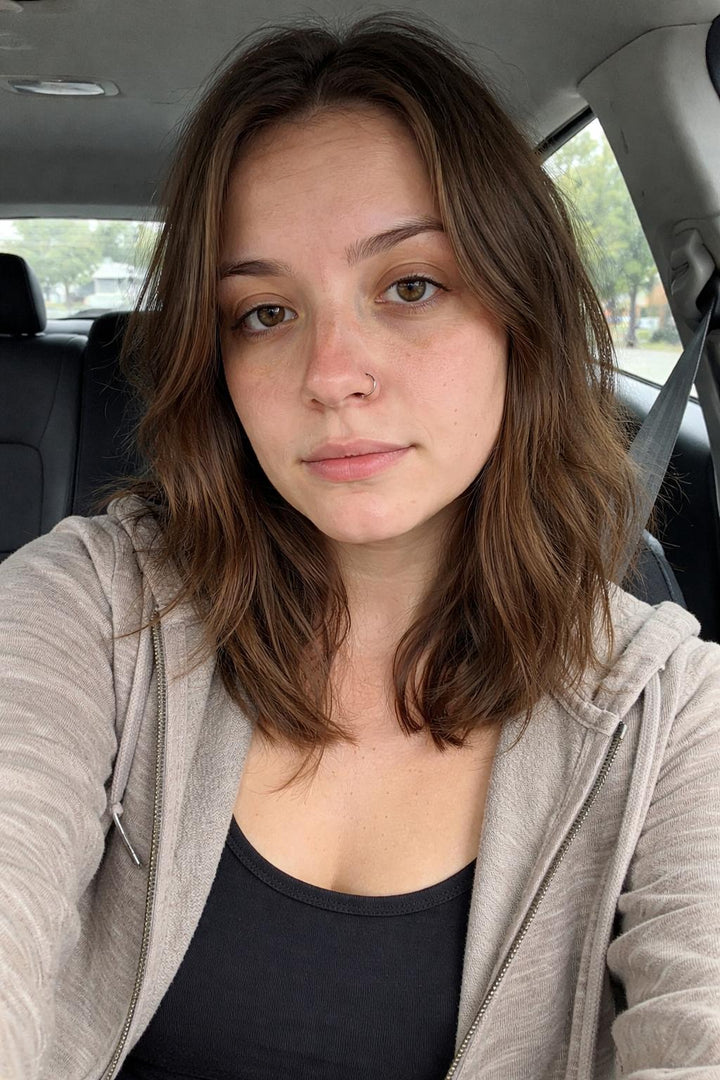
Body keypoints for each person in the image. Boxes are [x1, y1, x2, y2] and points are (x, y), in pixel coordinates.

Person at [1, 12, 719, 1080]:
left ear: (521, 316)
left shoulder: (667, 714)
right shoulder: (87, 609)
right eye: (264, 312)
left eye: (410, 286)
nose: (332, 374)